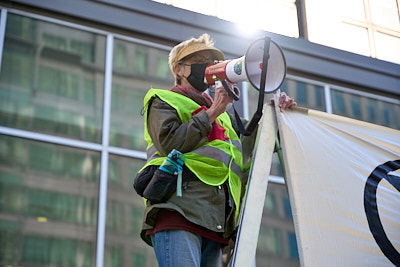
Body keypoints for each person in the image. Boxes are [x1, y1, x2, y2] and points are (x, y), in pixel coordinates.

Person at [135, 33, 296, 267]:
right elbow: (170, 143)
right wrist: (213, 112)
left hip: (216, 223)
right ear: (179, 69)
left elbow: (250, 152)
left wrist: (277, 120)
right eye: (199, 61)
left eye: (211, 62)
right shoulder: (164, 101)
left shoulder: (225, 118)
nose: (207, 67)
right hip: (179, 211)